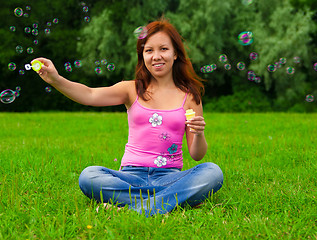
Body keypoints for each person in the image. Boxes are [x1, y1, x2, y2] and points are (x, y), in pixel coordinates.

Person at [33, 18, 223, 217]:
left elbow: (197, 155)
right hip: (130, 177)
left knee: (213, 172)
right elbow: (89, 95)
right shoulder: (131, 89)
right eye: (149, 50)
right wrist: (55, 79)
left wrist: (199, 134)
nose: (156, 56)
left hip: (170, 177)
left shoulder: (191, 96)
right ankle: (170, 201)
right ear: (142, 55)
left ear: (175, 53)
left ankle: (133, 209)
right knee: (89, 176)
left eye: (163, 49)